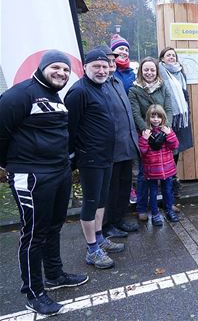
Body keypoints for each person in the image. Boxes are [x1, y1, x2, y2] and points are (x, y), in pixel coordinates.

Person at [0, 50, 88, 316]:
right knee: (34, 234)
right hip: (32, 176)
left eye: (65, 69)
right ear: (43, 67)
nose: (61, 73)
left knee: (53, 227)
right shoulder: (19, 95)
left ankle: (54, 274)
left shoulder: (55, 95)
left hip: (58, 173)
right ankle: (34, 293)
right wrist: (10, 165)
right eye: (56, 68)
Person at [66, 49, 124, 270]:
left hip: (105, 155)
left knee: (101, 200)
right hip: (89, 157)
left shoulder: (102, 87)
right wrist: (73, 156)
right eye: (96, 66)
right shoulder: (78, 92)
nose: (102, 70)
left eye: (104, 66)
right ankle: (92, 249)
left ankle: (99, 238)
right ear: (85, 68)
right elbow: (69, 129)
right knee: (91, 202)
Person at [93, 45, 140, 240]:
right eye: (108, 61)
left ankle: (119, 218)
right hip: (111, 147)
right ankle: (107, 224)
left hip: (126, 144)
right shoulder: (99, 85)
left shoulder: (117, 82)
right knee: (110, 189)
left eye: (113, 61)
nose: (111, 64)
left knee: (123, 185)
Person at [128, 57, 173, 221]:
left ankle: (168, 204)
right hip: (145, 136)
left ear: (156, 71)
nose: (149, 73)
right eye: (146, 70)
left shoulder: (163, 87)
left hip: (163, 134)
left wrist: (164, 130)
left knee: (165, 172)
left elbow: (168, 108)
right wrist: (148, 131)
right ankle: (142, 207)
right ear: (141, 71)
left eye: (152, 70)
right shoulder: (134, 90)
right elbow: (135, 114)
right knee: (143, 174)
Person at [158, 47, 194, 195]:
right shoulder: (159, 72)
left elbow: (185, 94)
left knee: (176, 149)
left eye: (173, 55)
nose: (171, 57)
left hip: (181, 118)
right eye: (168, 55)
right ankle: (166, 181)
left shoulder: (181, 73)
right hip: (167, 118)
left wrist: (188, 110)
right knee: (165, 150)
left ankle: (173, 179)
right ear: (162, 59)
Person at [139, 104, 180, 225]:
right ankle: (155, 213)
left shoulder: (167, 130)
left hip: (167, 169)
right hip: (152, 169)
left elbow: (175, 146)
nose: (156, 119)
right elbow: (143, 151)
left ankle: (169, 210)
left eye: (158, 116)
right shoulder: (146, 132)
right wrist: (144, 139)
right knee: (153, 193)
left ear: (163, 118)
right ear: (148, 118)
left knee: (167, 190)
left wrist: (170, 134)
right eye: (153, 116)